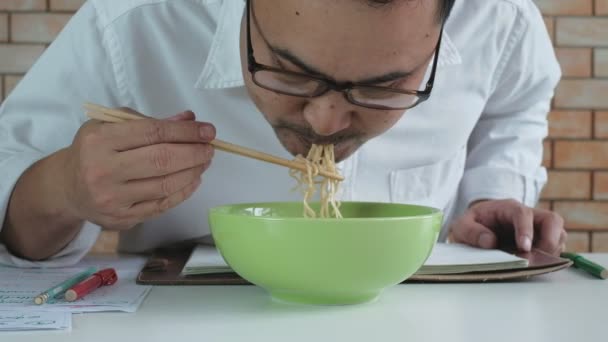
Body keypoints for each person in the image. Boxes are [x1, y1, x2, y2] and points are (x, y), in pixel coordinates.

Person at [0, 0, 565, 267]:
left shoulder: (502, 21)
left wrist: (491, 193)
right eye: (289, 72)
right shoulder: (132, 25)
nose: (324, 125)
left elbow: (513, 108)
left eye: (384, 86)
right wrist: (65, 188)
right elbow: (11, 200)